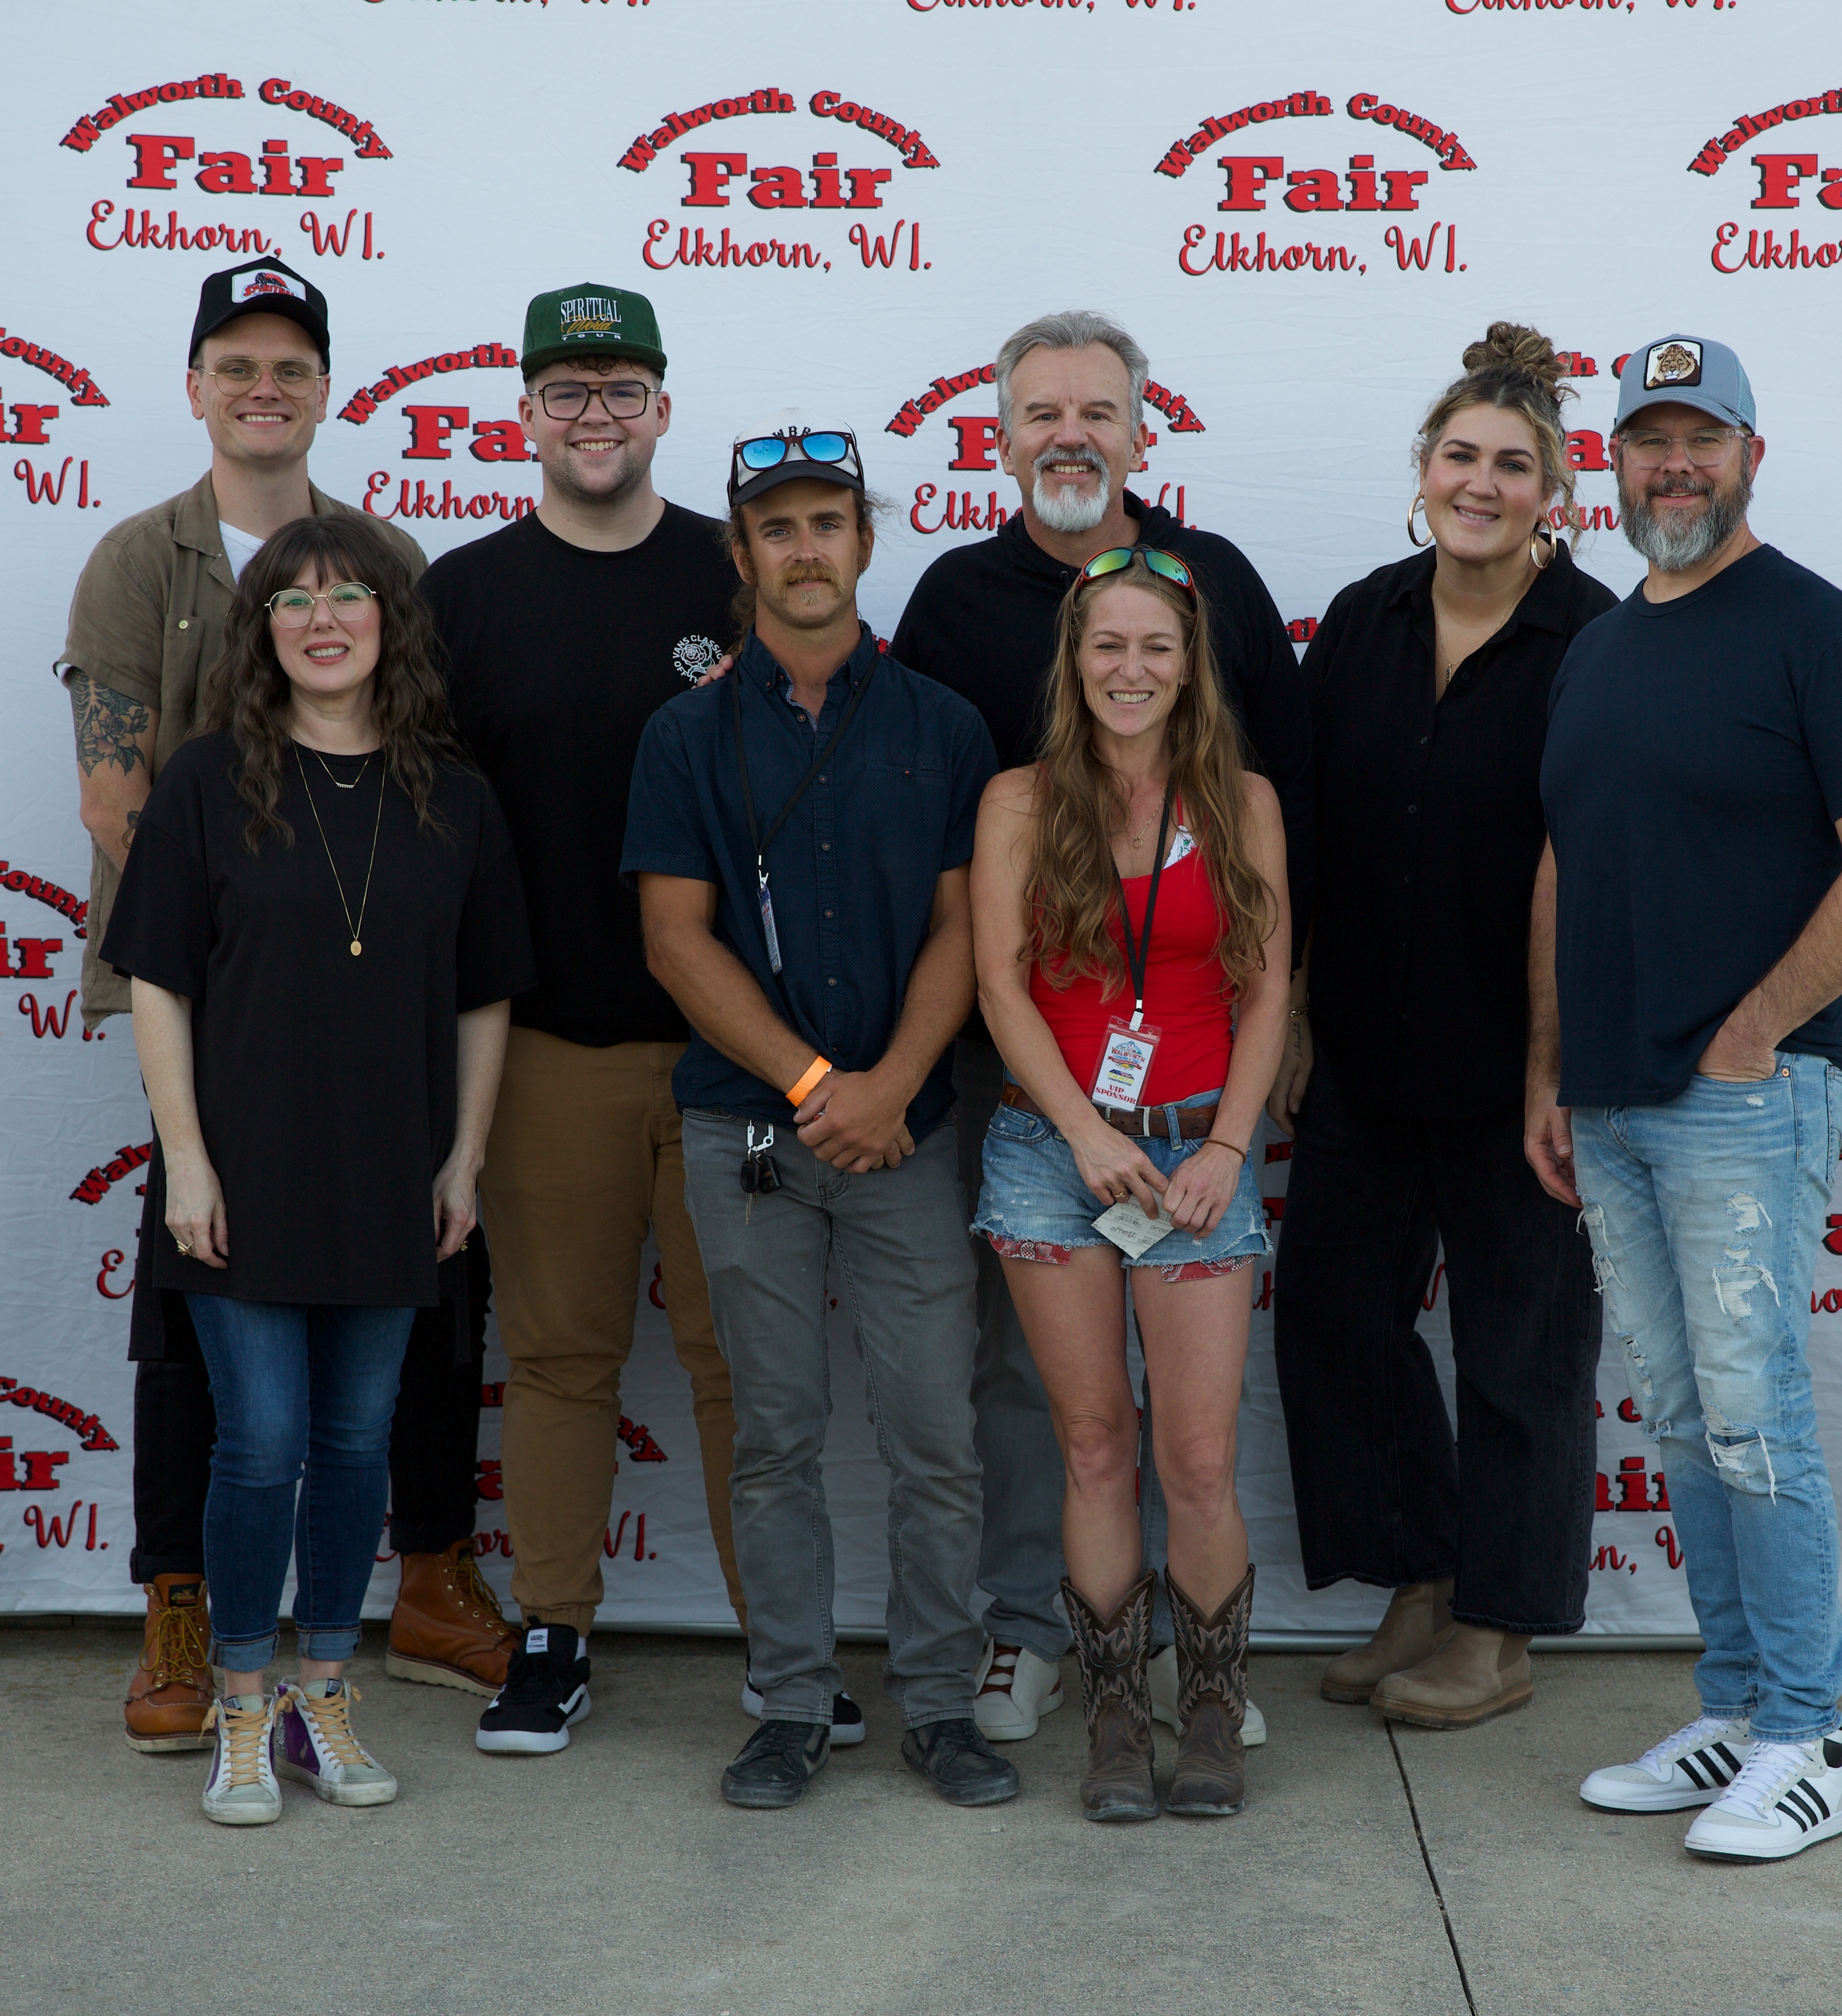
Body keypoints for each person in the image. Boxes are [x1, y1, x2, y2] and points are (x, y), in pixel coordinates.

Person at [58, 257, 516, 1759]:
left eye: (291, 367)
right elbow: (116, 793)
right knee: (200, 1337)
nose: (265, 390)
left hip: (380, 1037)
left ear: (326, 389)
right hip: (222, 1003)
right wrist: (253, 908)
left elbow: (421, 769)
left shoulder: (386, 553)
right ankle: (186, 1606)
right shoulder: (140, 559)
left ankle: (417, 1582)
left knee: (402, 1344)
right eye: (237, 365)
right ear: (196, 386)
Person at [1534, 334, 1842, 1863]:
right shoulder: (1601, 643)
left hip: (1744, 1098)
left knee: (1757, 1417)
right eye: (1649, 441)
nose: (1675, 465)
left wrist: (1757, 1030)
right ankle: (1736, 1707)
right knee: (1689, 1420)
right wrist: (1549, 1066)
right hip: (1611, 1098)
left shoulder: (1817, 632)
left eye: (1703, 438)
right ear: (1614, 465)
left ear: (1752, 457)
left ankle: (1805, 1739)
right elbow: (1565, 860)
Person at [892, 309, 1310, 1745]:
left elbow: (1278, 875)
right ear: (1003, 434)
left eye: (1097, 412)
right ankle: (1045, 1642)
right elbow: (944, 865)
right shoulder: (956, 601)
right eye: (1042, 412)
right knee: (1051, 1408)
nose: (1070, 435)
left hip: (1200, 1102)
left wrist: (1251, 1107)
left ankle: (1199, 1668)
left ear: (1139, 431)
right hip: (1032, 1101)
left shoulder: (1220, 588)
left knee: (1192, 1439)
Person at [102, 515, 536, 1825]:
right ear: (262, 632)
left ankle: (322, 1697)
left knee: (355, 1446)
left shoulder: (454, 796)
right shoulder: (202, 782)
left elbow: (483, 998)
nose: (325, 619)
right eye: (294, 602)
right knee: (262, 1443)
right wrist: (186, 1164)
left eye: (351, 595)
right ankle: (243, 1703)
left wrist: (464, 1158)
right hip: (240, 1172)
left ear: (391, 623)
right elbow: (160, 984)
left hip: (394, 1174)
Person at [623, 418, 1013, 1812]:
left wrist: (890, 1087)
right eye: (776, 527)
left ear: (865, 538)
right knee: (775, 1435)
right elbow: (676, 941)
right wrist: (813, 1088)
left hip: (906, 1132)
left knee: (936, 1437)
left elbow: (969, 928)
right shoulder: (682, 734)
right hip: (750, 1135)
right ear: (740, 555)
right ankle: (791, 1702)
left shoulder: (945, 724)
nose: (804, 548)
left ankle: (941, 1706)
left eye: (826, 523)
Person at [420, 285, 768, 1759]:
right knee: (561, 1358)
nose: (596, 415)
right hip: (550, 1048)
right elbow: (424, 829)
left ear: (664, 408)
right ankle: (553, 1635)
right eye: (567, 391)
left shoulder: (739, 572)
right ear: (525, 415)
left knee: (744, 1363)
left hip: (735, 1060)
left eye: (622, 388)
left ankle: (783, 1646)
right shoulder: (462, 593)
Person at [1269, 324, 1611, 1730]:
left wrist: (1564, 1067)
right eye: (1460, 455)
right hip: (1363, 1042)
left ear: (1554, 492)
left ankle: (1500, 1629)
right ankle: (1420, 1576)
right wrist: (1293, 1011)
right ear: (1422, 472)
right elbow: (1304, 829)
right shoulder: (1364, 617)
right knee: (1335, 1319)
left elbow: (1603, 862)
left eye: (1512, 465)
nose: (1482, 483)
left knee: (1523, 1351)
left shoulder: (1595, 639)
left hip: (1523, 1063)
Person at [971, 548, 1291, 1820]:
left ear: (1190, 665)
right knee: (1096, 1443)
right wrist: (1085, 1133)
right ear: (1074, 659)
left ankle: (1206, 1709)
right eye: (1108, 643)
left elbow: (1268, 986)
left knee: (1198, 1457)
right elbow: (1001, 988)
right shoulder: (1018, 802)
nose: (1131, 668)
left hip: (1201, 1155)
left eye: (1156, 646)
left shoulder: (1244, 801)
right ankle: (1112, 1717)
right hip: (1053, 1156)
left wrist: (1227, 1148)